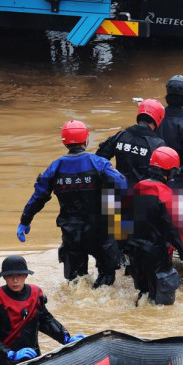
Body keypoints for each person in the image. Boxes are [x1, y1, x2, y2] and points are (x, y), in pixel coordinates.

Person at [19, 120, 127, 287]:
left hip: (71, 232)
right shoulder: (98, 163)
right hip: (100, 230)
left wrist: (25, 220)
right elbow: (121, 185)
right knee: (106, 275)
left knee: (76, 281)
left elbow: (39, 197)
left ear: (64, 142)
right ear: (86, 139)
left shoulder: (55, 167)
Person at [0, 256, 83, 365]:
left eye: (19, 275)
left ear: (26, 275)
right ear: (4, 277)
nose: (15, 280)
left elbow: (45, 321)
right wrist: (9, 353)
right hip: (3, 362)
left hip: (33, 357)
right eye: (10, 276)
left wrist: (66, 338)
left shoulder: (36, 294)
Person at [126, 147, 183, 306]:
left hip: (136, 253)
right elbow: (175, 229)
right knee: (162, 303)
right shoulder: (166, 195)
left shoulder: (137, 188)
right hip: (158, 255)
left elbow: (124, 219)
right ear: (170, 171)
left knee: (143, 294)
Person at [97, 99, 167, 190]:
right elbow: (162, 176)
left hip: (119, 190)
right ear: (159, 118)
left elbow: (99, 159)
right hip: (143, 195)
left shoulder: (120, 135)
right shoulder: (158, 144)